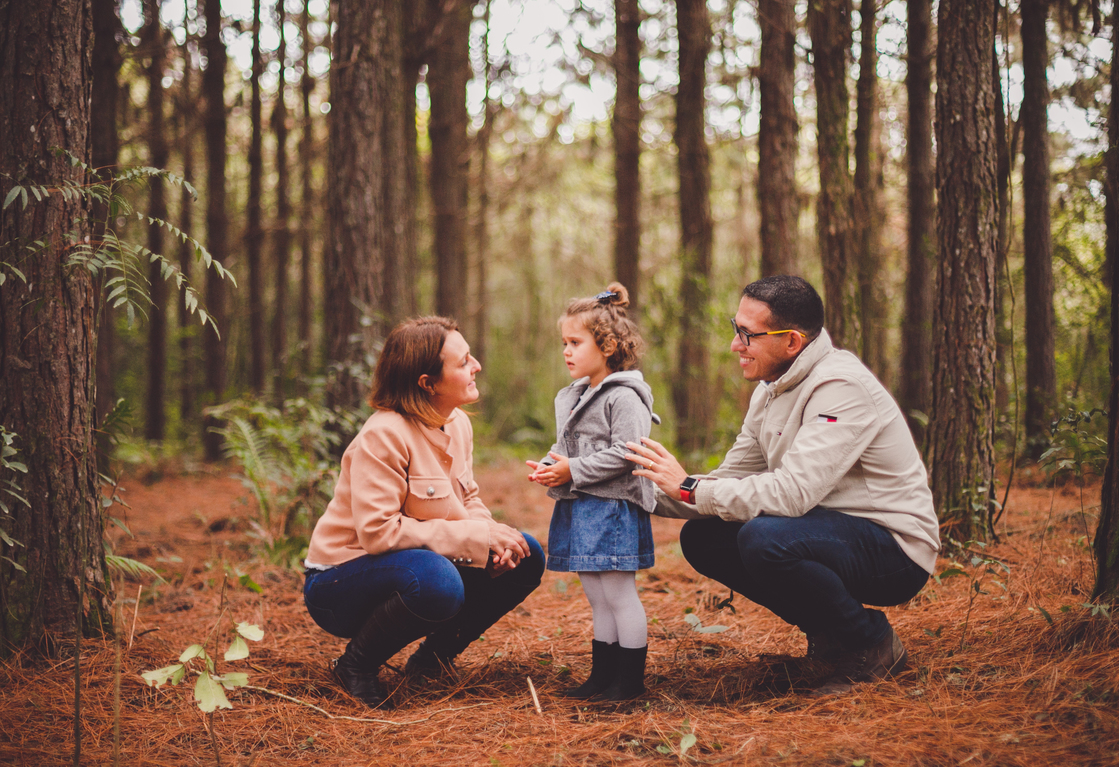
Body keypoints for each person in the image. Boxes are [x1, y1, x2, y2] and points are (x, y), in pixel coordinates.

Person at [624, 275, 939, 695]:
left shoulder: (840, 387)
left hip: (895, 550)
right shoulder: (770, 389)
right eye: (735, 328)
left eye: (747, 335)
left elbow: (792, 494)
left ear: (792, 341)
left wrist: (688, 487)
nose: (735, 345)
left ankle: (871, 643)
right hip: (825, 532)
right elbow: (729, 480)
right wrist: (643, 494)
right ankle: (833, 637)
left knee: (764, 537)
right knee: (704, 536)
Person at [303, 317, 545, 708]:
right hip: (339, 583)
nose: (477, 365)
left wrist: (491, 535)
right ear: (428, 383)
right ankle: (355, 666)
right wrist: (477, 540)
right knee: (437, 580)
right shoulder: (383, 435)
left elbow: (466, 500)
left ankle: (432, 660)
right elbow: (379, 533)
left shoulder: (457, 424)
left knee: (525, 552)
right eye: (464, 361)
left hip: (414, 565)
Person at [525, 283, 658, 701]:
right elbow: (568, 447)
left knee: (619, 594)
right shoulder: (577, 395)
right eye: (564, 342)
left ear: (607, 346)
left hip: (614, 509)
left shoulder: (625, 397)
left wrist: (572, 469)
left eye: (575, 342)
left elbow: (627, 453)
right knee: (597, 596)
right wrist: (552, 465)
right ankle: (603, 677)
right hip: (582, 506)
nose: (566, 351)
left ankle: (630, 683)